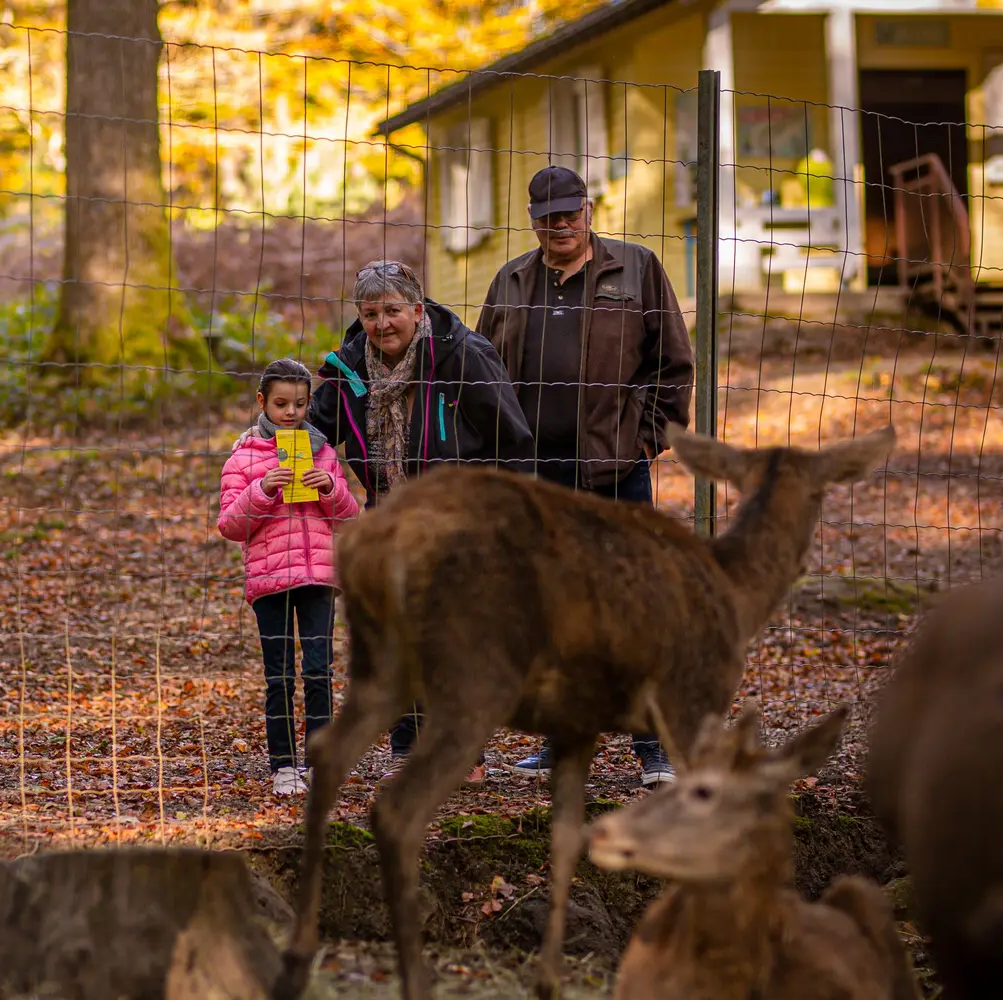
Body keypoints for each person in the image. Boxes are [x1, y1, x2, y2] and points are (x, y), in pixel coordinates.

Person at [476, 164, 695, 789]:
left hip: (612, 471)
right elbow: (482, 370)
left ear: (589, 209)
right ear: (533, 220)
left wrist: (645, 439)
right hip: (534, 473)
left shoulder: (637, 267)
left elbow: (672, 364)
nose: (560, 225)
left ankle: (653, 747)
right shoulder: (512, 279)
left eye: (569, 213)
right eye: (547, 217)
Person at [307, 259, 537, 777]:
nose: (381, 324)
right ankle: (408, 750)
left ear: (417, 308)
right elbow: (317, 426)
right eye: (369, 314)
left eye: (392, 310)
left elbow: (512, 438)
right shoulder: (351, 364)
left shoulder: (463, 355)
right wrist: (264, 442)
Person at [218, 359, 361, 797]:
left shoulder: (322, 452)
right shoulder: (243, 456)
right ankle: (283, 765)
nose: (290, 413)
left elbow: (349, 516)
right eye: (281, 403)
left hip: (318, 576)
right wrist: (261, 491)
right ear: (262, 402)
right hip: (269, 581)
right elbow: (229, 525)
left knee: (318, 671)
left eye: (300, 404)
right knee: (278, 676)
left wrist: (330, 489)